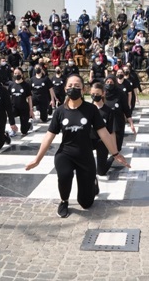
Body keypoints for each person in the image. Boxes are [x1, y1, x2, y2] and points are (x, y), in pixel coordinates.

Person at [25, 74, 130, 218]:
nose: (72, 88)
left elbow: (104, 133)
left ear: (83, 89)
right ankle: (64, 201)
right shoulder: (60, 111)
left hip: (85, 155)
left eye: (76, 86)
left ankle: (93, 181)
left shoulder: (90, 110)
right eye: (69, 86)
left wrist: (115, 153)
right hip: (65, 153)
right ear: (64, 88)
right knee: (65, 175)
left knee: (86, 203)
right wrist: (37, 159)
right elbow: (49, 136)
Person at [89, 83, 117, 176]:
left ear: (103, 94)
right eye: (93, 94)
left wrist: (114, 152)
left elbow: (111, 132)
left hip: (102, 142)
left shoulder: (108, 111)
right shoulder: (87, 109)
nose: (95, 96)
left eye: (97, 94)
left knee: (101, 172)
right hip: (89, 140)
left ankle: (110, 160)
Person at [104, 75, 136, 153]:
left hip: (118, 120)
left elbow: (126, 109)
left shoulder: (120, 93)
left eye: (111, 82)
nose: (109, 84)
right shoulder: (102, 93)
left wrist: (131, 123)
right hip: (106, 121)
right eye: (107, 82)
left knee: (117, 147)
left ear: (115, 83)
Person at [8, 67, 34, 136]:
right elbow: (9, 97)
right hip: (14, 107)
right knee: (10, 115)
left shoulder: (26, 85)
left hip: (23, 108)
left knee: (24, 131)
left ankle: (28, 124)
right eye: (15, 73)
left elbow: (29, 98)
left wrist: (31, 109)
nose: (17, 75)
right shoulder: (11, 85)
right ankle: (13, 129)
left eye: (18, 73)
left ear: (22, 74)